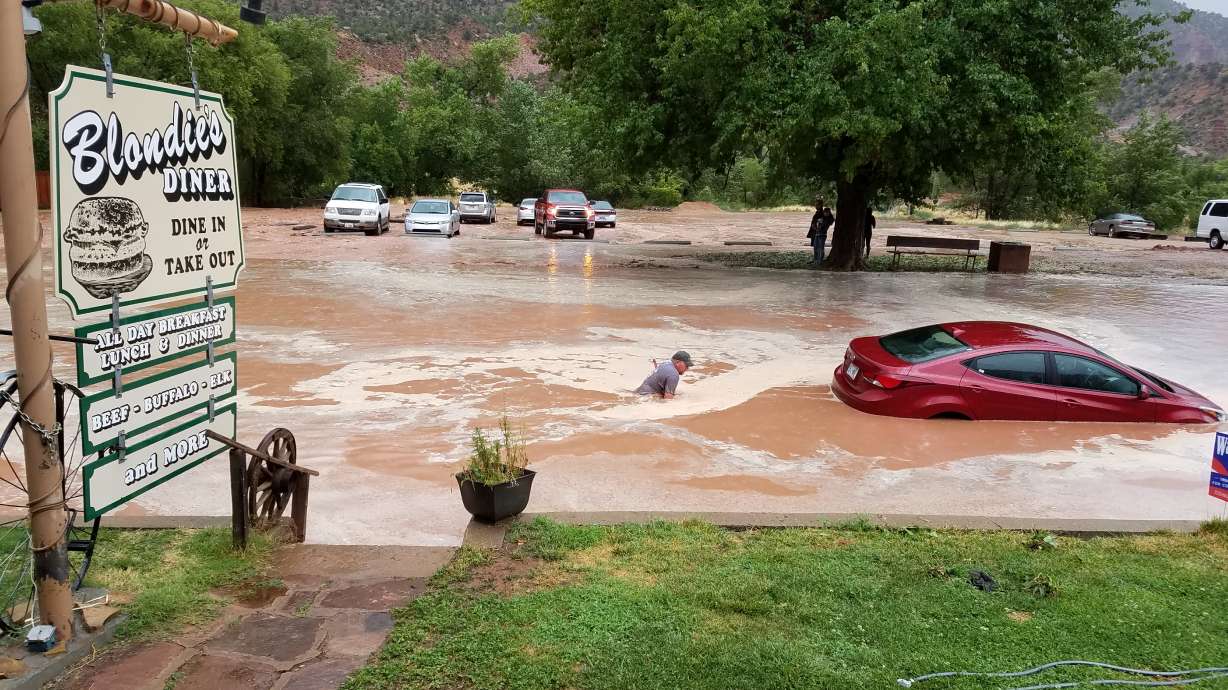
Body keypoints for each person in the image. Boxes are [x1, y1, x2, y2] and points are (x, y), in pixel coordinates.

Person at [807, 198, 835, 265]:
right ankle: (815, 260)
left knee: (820, 247)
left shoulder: (824, 213)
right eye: (815, 205)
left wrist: (822, 224)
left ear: (821, 205)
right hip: (815, 232)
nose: (815, 206)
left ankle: (819, 261)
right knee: (815, 247)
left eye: (817, 205)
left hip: (821, 233)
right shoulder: (818, 212)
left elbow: (831, 220)